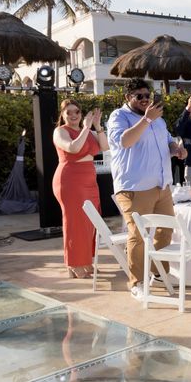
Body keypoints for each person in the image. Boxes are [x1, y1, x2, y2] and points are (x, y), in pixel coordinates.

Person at [107, 78, 187, 300]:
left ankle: (159, 274)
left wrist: (177, 150)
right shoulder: (119, 116)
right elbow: (125, 142)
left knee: (165, 230)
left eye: (146, 95)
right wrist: (145, 120)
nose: (144, 100)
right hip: (134, 187)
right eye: (138, 96)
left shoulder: (157, 119)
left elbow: (169, 141)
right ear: (127, 98)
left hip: (161, 186)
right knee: (138, 235)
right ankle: (137, 282)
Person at [52, 100, 109, 279]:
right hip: (70, 180)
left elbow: (105, 147)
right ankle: (74, 264)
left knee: (90, 222)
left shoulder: (88, 132)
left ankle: (85, 261)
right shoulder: (60, 131)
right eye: (69, 112)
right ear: (62, 115)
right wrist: (86, 128)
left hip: (89, 180)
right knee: (75, 222)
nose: (73, 115)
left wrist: (98, 126)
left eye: (76, 111)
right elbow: (73, 147)